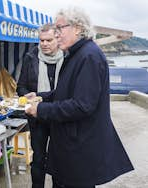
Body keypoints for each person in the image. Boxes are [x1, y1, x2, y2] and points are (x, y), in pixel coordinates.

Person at [25, 7, 134, 188]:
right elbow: (64, 91)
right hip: (71, 147)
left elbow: (82, 105)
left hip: (80, 150)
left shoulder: (89, 56)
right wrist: (40, 97)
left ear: (77, 28)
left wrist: (40, 110)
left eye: (60, 28)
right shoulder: (78, 54)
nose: (56, 33)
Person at [17, 23, 64, 188]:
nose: (44, 44)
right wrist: (29, 98)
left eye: (48, 40)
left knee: (60, 159)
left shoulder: (68, 58)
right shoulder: (31, 57)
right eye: (41, 40)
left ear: (58, 39)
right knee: (38, 158)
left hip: (60, 116)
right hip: (38, 117)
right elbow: (20, 86)